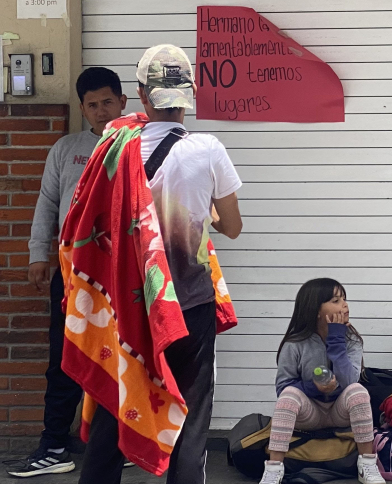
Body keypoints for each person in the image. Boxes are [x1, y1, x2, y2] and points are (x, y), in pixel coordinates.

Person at [76, 44, 243, 484]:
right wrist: (200, 212)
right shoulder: (208, 149)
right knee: (191, 416)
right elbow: (232, 226)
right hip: (188, 304)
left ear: (141, 96)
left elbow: (97, 225)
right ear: (189, 95)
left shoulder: (111, 149)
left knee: (118, 400)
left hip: (127, 307)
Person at [10, 67, 127, 478]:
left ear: (123, 102)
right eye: (92, 105)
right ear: (82, 108)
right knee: (65, 358)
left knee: (121, 359)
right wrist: (37, 254)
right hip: (72, 275)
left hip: (121, 275)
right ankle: (54, 444)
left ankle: (119, 441)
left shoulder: (137, 146)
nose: (100, 111)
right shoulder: (66, 148)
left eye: (107, 102)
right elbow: (47, 203)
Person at [259, 278, 385, 484]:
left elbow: (350, 380)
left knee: (358, 391)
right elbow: (283, 388)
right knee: (289, 396)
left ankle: (367, 464)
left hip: (339, 412)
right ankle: (274, 469)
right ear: (316, 310)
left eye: (344, 299)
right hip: (310, 413)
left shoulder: (351, 341)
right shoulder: (295, 343)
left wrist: (336, 339)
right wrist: (313, 387)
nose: (344, 305)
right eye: (335, 300)